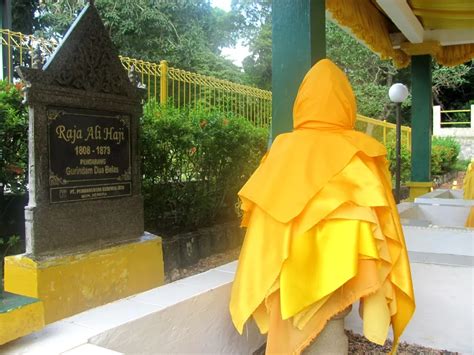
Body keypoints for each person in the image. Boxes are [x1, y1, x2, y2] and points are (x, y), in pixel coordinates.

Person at [229, 59, 415, 354]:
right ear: (346, 103)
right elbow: (384, 226)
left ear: (302, 101)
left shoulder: (282, 152)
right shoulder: (362, 154)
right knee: (330, 328)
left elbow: (264, 229)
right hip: (342, 275)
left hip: (290, 275)